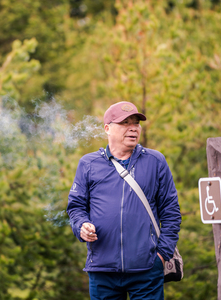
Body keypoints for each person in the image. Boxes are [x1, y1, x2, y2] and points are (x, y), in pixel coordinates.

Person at [67, 101, 181, 300]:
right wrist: (81, 225)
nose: (133, 128)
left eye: (136, 123)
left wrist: (162, 256)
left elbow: (171, 213)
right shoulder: (88, 163)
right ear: (107, 128)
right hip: (102, 270)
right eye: (124, 123)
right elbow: (76, 207)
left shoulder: (156, 161)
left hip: (146, 270)